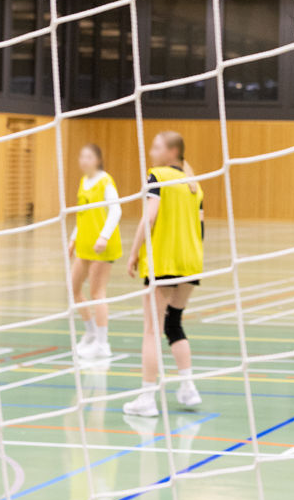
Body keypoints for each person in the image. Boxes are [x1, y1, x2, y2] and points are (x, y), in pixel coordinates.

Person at [123, 131, 204, 418]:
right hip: (191, 262)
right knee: (173, 324)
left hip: (164, 261)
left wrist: (133, 252)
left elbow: (150, 216)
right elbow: (201, 227)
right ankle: (188, 387)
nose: (151, 150)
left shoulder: (157, 176)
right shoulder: (194, 186)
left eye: (156, 146)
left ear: (172, 152)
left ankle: (147, 397)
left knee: (152, 329)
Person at [69, 144, 122, 360]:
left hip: (102, 245)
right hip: (84, 244)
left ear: (98, 160)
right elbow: (83, 215)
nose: (83, 160)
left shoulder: (105, 181)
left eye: (88, 156)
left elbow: (116, 209)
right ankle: (90, 333)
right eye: (81, 156)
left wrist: (104, 236)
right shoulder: (84, 182)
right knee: (73, 288)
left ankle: (102, 343)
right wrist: (73, 238)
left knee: (97, 292)